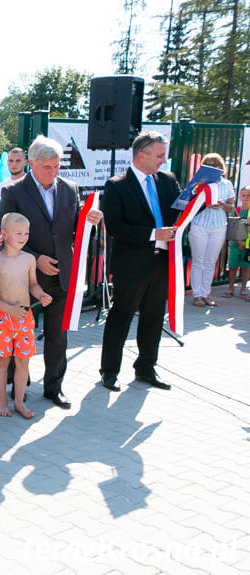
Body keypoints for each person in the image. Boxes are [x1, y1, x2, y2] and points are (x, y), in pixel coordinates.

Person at [0, 135, 102, 409]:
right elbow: (5, 234)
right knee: (17, 330)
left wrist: (88, 218)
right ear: (31, 164)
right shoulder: (13, 191)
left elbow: (71, 225)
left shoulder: (69, 188)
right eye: (47, 167)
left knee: (58, 334)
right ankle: (17, 382)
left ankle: (54, 387)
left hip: (61, 274)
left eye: (57, 166)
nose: (53, 172)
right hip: (23, 275)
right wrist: (35, 258)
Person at [100, 130, 180, 393]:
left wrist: (202, 195)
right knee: (120, 316)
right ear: (141, 155)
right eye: (159, 156)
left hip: (161, 262)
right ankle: (109, 371)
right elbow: (114, 227)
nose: (163, 161)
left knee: (154, 317)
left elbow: (181, 210)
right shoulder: (117, 185)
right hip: (131, 265)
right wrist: (151, 234)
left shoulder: (167, 180)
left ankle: (146, 367)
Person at [0, 212, 52, 419]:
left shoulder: (29, 259)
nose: (24, 237)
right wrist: (8, 309)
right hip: (3, 318)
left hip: (24, 317)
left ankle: (19, 402)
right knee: (2, 361)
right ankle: (1, 401)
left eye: (26, 233)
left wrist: (41, 294)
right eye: (18, 233)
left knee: (24, 361)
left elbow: (33, 285)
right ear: (4, 234)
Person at [188, 153, 234, 307]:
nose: (214, 167)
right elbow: (188, 203)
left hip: (219, 226)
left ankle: (206, 293)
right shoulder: (198, 183)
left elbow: (231, 207)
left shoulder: (227, 184)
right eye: (210, 164)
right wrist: (204, 203)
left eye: (216, 164)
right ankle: (197, 295)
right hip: (200, 224)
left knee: (210, 262)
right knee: (198, 260)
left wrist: (222, 204)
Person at [225, 186, 250, 298]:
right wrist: (240, 242)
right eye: (243, 195)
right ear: (239, 197)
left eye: (248, 195)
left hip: (248, 246)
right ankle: (231, 288)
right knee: (232, 267)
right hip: (235, 245)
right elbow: (231, 229)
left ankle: (243, 289)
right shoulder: (236, 211)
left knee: (246, 268)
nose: (246, 198)